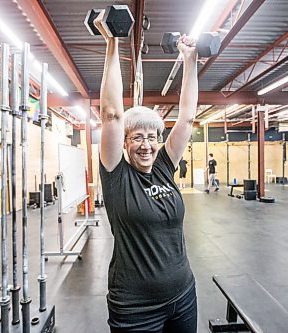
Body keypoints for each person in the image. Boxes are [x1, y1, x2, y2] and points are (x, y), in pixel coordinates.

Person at [94, 11, 198, 333]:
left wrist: (190, 61)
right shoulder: (117, 176)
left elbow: (187, 119)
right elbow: (112, 114)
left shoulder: (166, 165)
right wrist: (113, 42)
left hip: (184, 296)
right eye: (137, 137)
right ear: (125, 143)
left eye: (152, 137)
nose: (146, 145)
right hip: (136, 308)